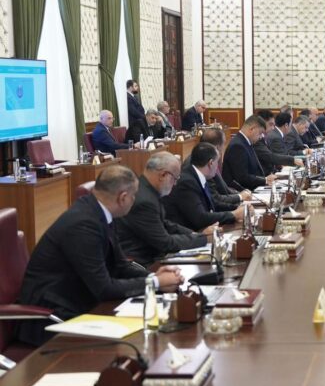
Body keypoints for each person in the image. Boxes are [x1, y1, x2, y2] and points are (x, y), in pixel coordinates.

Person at [16, 166, 184, 346]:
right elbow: (104, 288)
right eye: (134, 196)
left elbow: (120, 265)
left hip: (80, 301)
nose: (135, 200)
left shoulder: (99, 212)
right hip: (52, 316)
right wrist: (156, 283)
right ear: (123, 198)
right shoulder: (83, 224)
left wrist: (154, 276)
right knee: (139, 342)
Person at [115, 152, 211, 267]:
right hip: (143, 264)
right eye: (175, 179)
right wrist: (203, 239)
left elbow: (164, 223)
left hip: (153, 256)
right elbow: (165, 243)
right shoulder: (145, 200)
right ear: (163, 175)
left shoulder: (147, 189)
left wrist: (193, 234)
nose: (175, 184)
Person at [163, 143, 244, 231]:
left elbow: (213, 204)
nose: (217, 166)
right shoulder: (187, 182)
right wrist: (233, 215)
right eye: (217, 162)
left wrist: (238, 208)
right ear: (211, 163)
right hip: (188, 234)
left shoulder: (197, 175)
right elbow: (200, 218)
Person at [198, 128, 252, 211]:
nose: (223, 148)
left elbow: (224, 188)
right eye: (223, 144)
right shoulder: (204, 164)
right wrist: (239, 197)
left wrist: (240, 194)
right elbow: (215, 199)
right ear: (217, 147)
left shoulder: (208, 158)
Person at [222, 115, 277, 189]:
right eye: (260, 133)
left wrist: (265, 179)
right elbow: (242, 177)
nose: (261, 136)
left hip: (252, 188)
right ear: (252, 129)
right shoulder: (238, 146)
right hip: (243, 191)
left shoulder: (245, 142)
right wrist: (265, 180)